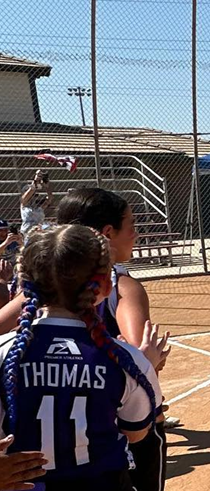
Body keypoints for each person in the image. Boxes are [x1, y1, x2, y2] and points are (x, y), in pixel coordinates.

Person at [12, 188, 173, 491]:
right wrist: (144, 366)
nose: (135, 234)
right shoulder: (123, 289)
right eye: (131, 225)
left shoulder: (17, 334)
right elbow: (139, 354)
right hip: (104, 445)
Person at [20, 170, 53, 236]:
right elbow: (28, 194)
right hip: (27, 232)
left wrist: (47, 186)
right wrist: (36, 179)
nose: (33, 197)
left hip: (38, 233)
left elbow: (50, 198)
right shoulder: (24, 205)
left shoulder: (39, 208)